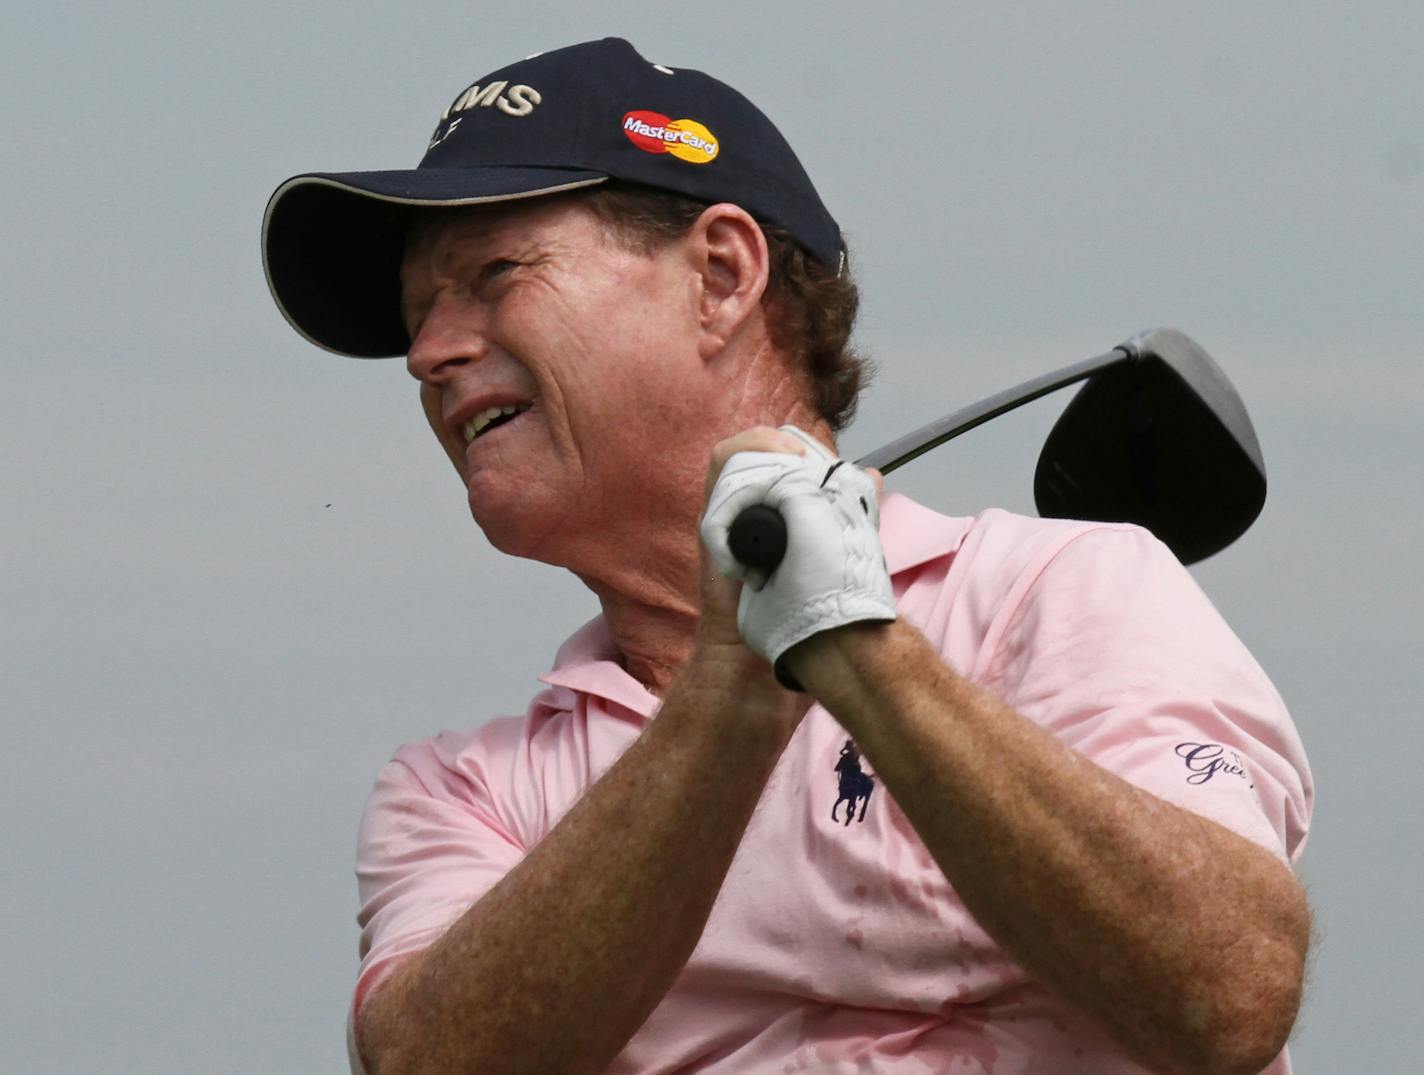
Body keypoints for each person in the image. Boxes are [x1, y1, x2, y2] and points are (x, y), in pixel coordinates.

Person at [262, 37, 1313, 1075]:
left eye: (493, 275)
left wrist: (854, 643)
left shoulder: (1059, 593)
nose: (427, 351)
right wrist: (732, 693)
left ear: (720, 275)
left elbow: (1225, 994)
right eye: (417, 314)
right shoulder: (466, 790)